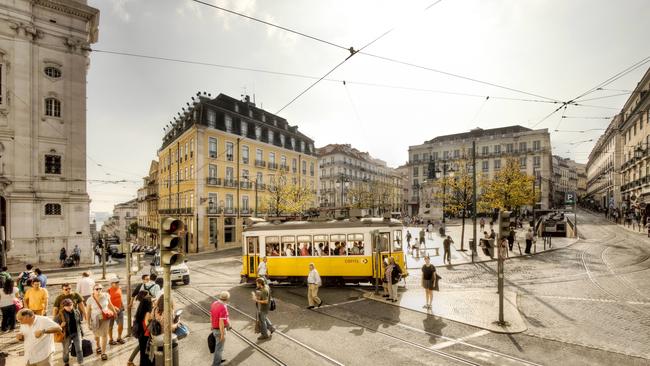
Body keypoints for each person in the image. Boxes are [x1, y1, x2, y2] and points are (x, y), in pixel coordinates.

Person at [87, 284, 117, 361]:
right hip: (95, 319)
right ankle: (98, 346)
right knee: (96, 335)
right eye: (96, 289)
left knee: (104, 335)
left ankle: (103, 353)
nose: (98, 290)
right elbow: (88, 312)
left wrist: (115, 312)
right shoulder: (90, 299)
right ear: (93, 290)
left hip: (105, 318)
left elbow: (110, 305)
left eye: (100, 288)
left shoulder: (106, 296)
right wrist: (88, 323)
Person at [55, 298, 84, 366]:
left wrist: (82, 332)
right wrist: (61, 325)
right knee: (66, 350)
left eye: (70, 305)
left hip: (76, 333)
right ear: (63, 306)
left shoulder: (77, 311)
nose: (69, 307)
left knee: (79, 349)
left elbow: (79, 323)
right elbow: (54, 325)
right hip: (66, 335)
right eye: (67, 306)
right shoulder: (60, 315)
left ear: (73, 304)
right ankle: (66, 362)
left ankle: (81, 362)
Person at [210, 291, 230, 366]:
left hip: (214, 328)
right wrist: (222, 334)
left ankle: (218, 359)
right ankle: (216, 364)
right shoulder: (223, 307)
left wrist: (211, 325)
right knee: (219, 348)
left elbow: (211, 315)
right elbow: (221, 322)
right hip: (219, 330)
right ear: (227, 299)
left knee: (217, 346)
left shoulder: (214, 303)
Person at [133, 296, 154, 366]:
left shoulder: (140, 311)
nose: (153, 303)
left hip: (141, 335)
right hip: (146, 336)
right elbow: (147, 325)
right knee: (147, 356)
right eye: (152, 302)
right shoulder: (148, 313)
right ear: (148, 304)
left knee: (143, 355)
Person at [108, 278, 125, 345]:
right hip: (111, 311)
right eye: (116, 283)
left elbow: (120, 298)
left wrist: (122, 305)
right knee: (110, 326)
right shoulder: (108, 291)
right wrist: (113, 309)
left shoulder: (119, 289)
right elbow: (107, 302)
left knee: (121, 325)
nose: (117, 283)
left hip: (120, 309)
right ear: (111, 284)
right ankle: (111, 339)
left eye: (118, 282)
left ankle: (119, 338)